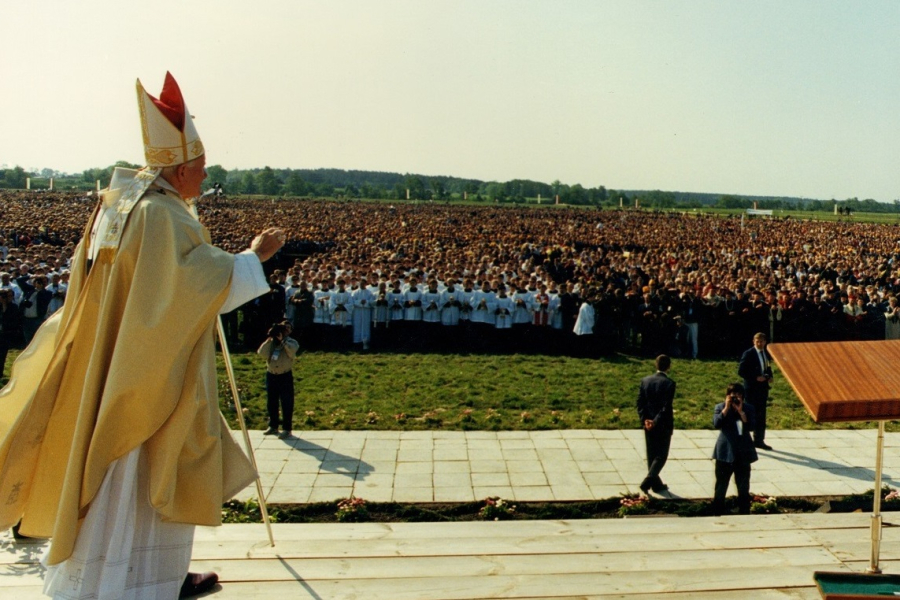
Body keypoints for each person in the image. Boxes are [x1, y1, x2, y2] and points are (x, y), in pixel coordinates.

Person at [0, 72, 285, 599]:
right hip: (146, 368)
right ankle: (134, 581)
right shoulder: (162, 214)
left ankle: (146, 576)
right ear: (180, 169)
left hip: (117, 355)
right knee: (140, 464)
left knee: (126, 467)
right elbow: (183, 288)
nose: (205, 177)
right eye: (201, 168)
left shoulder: (124, 201)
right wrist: (253, 258)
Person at [711, 383, 759, 515]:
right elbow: (716, 424)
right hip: (725, 452)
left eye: (738, 395)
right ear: (727, 396)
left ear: (743, 397)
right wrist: (726, 408)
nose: (736, 398)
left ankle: (744, 510)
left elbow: (752, 427)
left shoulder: (748, 408)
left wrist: (741, 412)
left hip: (743, 452)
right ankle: (717, 510)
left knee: (743, 486)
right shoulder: (720, 407)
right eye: (733, 396)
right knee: (721, 484)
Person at [636, 354, 675, 495]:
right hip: (663, 424)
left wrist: (645, 419)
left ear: (655, 364)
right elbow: (666, 406)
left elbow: (640, 403)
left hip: (648, 424)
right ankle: (648, 481)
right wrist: (655, 421)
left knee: (652, 454)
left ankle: (656, 485)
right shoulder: (669, 383)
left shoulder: (645, 381)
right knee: (661, 455)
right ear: (669, 367)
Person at [257, 321, 299, 438]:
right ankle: (273, 426)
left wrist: (283, 341)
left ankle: (287, 429)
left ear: (290, 331)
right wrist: (270, 339)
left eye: (288, 328)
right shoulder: (272, 342)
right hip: (271, 375)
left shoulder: (292, 342)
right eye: (284, 327)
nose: (286, 330)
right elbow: (261, 353)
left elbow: (292, 352)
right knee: (271, 402)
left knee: (287, 402)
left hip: (285, 375)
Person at [738, 332, 774, 450]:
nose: (759, 344)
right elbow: (741, 371)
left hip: (762, 389)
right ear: (753, 341)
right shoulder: (748, 354)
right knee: (749, 414)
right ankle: (743, 439)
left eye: (762, 341)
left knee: (761, 415)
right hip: (751, 390)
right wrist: (755, 377)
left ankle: (759, 440)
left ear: (765, 342)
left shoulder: (766, 353)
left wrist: (770, 376)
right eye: (757, 341)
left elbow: (767, 367)